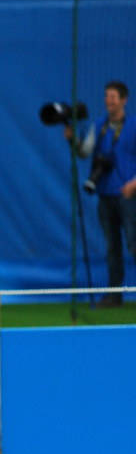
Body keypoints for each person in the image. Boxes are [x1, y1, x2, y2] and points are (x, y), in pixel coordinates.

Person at [65, 81, 136, 306]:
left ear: (124, 100)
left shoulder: (134, 126)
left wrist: (134, 184)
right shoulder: (100, 125)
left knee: (134, 244)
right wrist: (72, 140)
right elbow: (84, 151)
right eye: (106, 96)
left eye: (113, 97)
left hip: (129, 195)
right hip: (105, 195)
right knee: (111, 248)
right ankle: (114, 295)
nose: (108, 100)